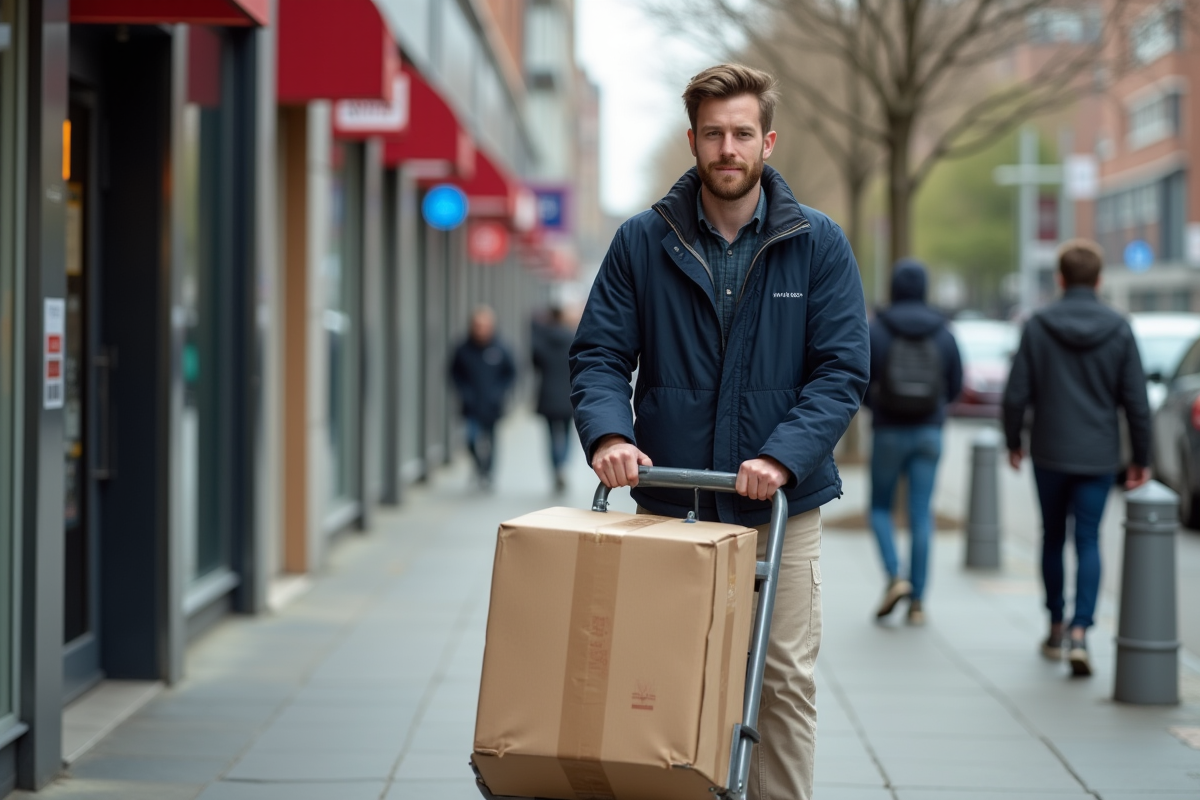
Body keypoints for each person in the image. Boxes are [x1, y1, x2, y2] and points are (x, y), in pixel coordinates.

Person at [570, 63, 869, 800]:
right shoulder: (643, 241)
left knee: (782, 681)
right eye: (713, 135)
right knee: (664, 677)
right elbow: (601, 354)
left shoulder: (817, 243)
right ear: (693, 141)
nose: (727, 149)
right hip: (674, 501)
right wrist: (609, 436)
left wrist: (781, 455)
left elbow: (841, 371)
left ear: (767, 140)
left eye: (742, 134)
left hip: (779, 507)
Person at [1002, 239, 1150, 677]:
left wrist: (1014, 441)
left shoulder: (1038, 324)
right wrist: (1141, 457)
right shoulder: (1119, 327)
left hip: (1049, 450)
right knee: (1088, 539)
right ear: (1100, 280)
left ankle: (1055, 625)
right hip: (1099, 454)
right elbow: (1137, 402)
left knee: (1052, 537)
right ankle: (1083, 631)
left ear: (1061, 279)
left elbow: (1015, 394)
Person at [864, 259, 963, 625]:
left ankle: (895, 576)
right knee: (921, 514)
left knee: (879, 509)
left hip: (888, 430)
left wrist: (879, 408)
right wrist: (933, 409)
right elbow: (955, 384)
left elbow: (859, 378)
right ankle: (918, 601)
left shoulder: (878, 329)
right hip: (929, 432)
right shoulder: (944, 331)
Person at [450, 305, 516, 489]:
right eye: (477, 325)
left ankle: (488, 472)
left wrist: (499, 392)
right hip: (471, 405)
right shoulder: (463, 349)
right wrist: (464, 392)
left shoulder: (500, 348)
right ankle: (479, 467)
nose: (481, 329)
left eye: (484, 325)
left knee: (491, 440)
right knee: (471, 438)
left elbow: (510, 373)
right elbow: (454, 373)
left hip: (492, 404)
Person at [531, 305, 575, 493]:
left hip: (548, 394)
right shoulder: (573, 338)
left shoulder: (541, 340)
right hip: (568, 394)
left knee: (550, 436)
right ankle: (562, 464)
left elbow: (535, 363)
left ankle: (556, 467)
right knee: (566, 434)